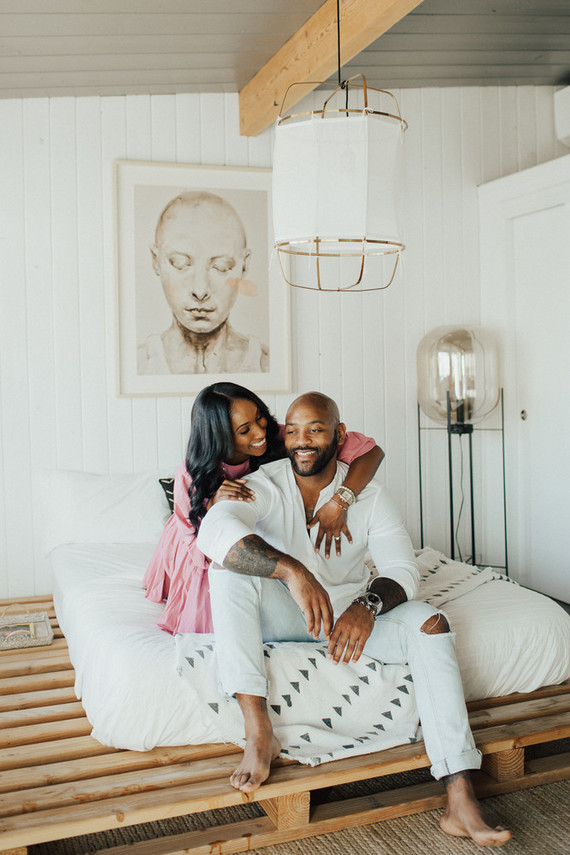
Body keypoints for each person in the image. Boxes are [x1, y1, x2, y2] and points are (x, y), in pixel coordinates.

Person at [196, 392, 513, 847]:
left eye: (316, 430)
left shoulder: (369, 496)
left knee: (431, 624)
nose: (302, 441)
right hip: (284, 610)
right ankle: (258, 731)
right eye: (293, 431)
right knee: (227, 570)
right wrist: (294, 572)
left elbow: (402, 570)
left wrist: (368, 606)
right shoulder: (263, 484)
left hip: (347, 612)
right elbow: (215, 531)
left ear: (339, 434)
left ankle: (460, 796)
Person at [143, 382, 384, 635]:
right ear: (219, 436)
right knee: (220, 609)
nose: (260, 433)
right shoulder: (191, 474)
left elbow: (371, 452)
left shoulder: (282, 436)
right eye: (245, 430)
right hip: (196, 534)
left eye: (260, 418)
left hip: (258, 530)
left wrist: (340, 501)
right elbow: (208, 545)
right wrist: (213, 505)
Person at [137, 191, 268, 375]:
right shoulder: (140, 365)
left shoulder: (265, 364)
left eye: (221, 267)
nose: (200, 290)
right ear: (155, 260)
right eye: (180, 264)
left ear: (244, 264)